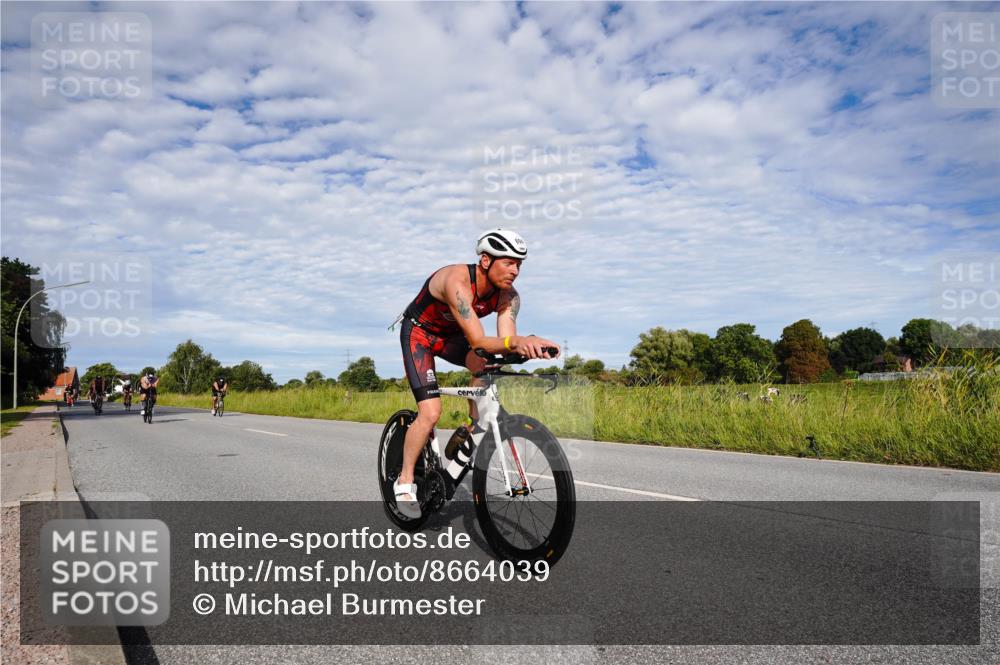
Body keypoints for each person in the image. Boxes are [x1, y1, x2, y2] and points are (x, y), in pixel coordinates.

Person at [395, 228, 560, 518]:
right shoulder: (457, 281)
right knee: (431, 413)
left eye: (519, 264)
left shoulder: (509, 297)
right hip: (419, 335)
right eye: (508, 262)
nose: (516, 270)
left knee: (489, 363)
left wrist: (528, 345)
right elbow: (479, 341)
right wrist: (518, 342)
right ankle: (405, 480)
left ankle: (472, 425)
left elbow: (502, 342)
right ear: (485, 260)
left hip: (450, 338)